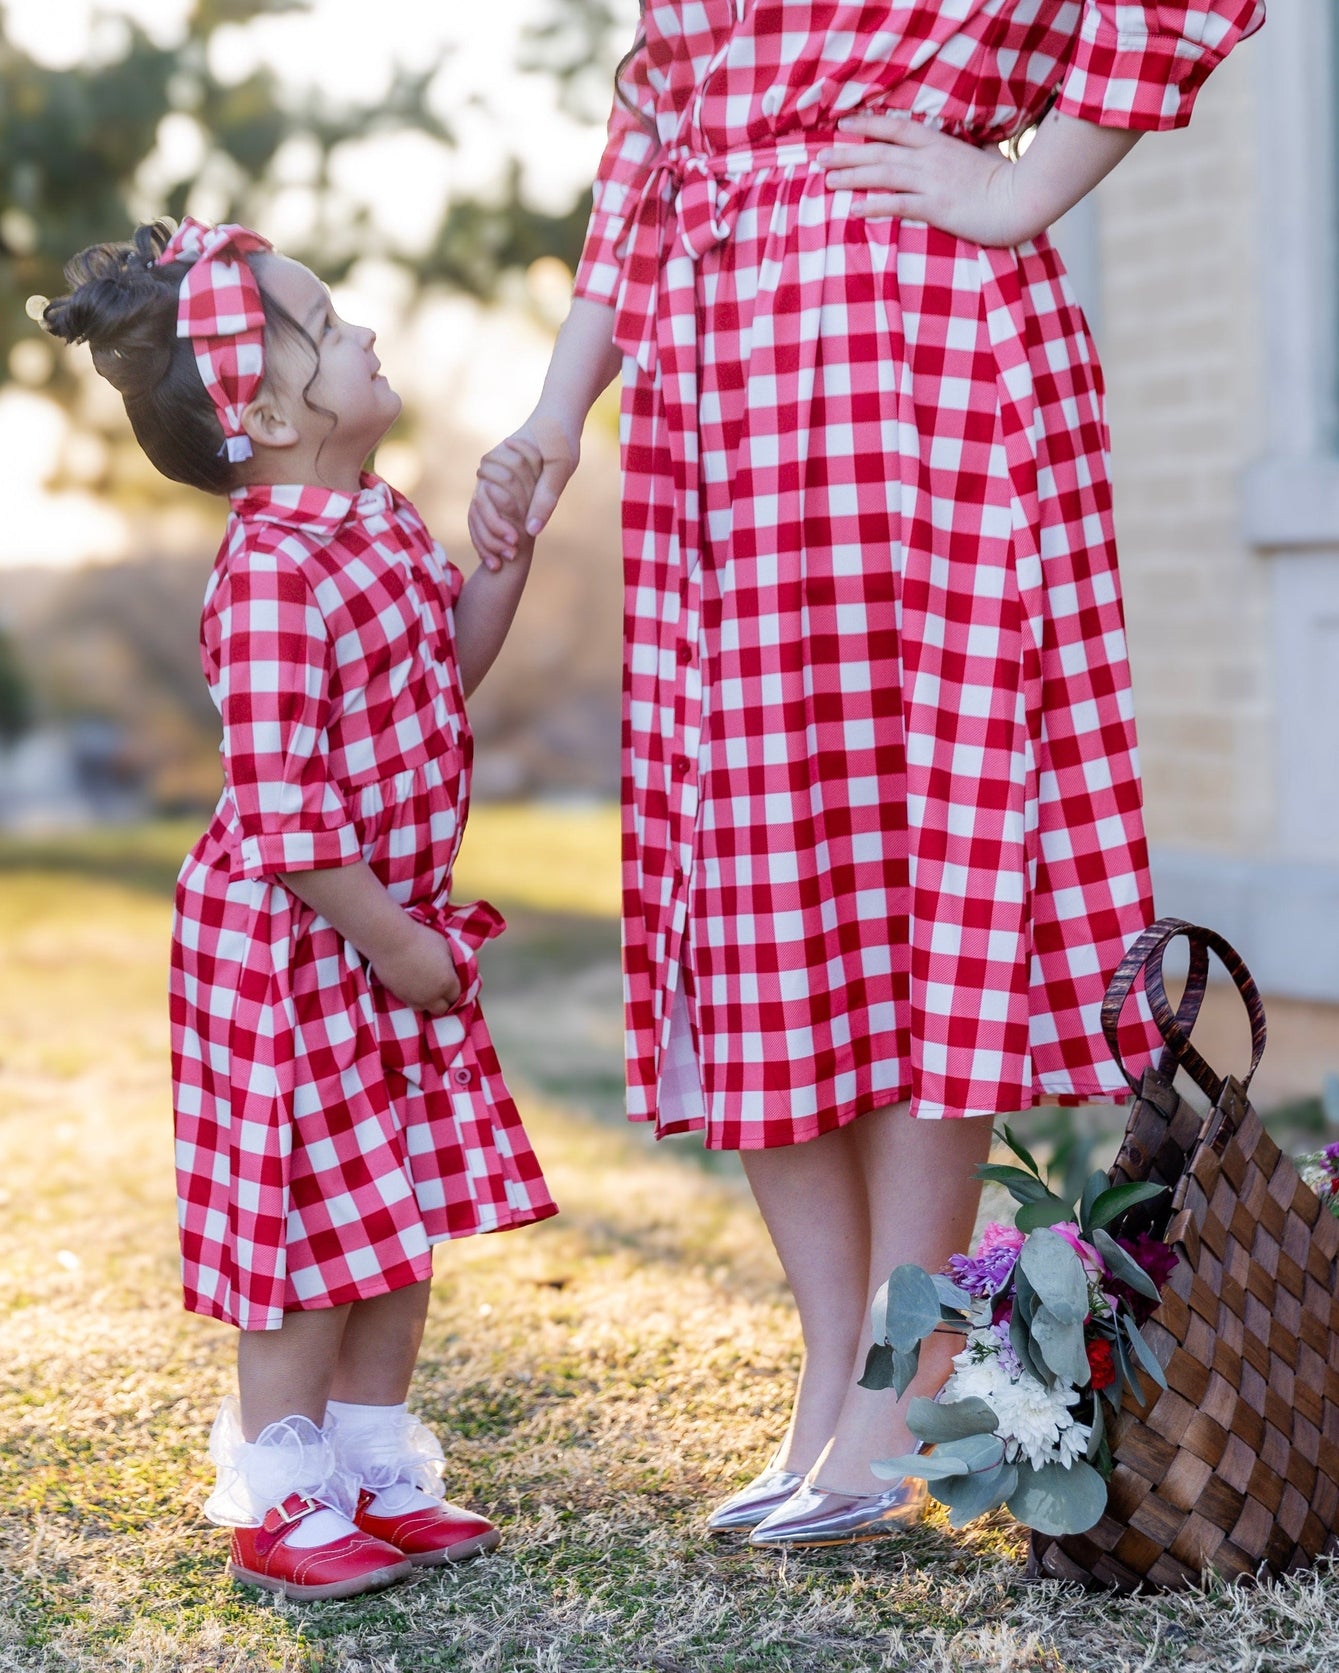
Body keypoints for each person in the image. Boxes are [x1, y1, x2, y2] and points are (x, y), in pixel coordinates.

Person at [470, 0, 1266, 1549]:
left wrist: (1027, 189)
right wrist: (560, 408)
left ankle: (915, 1359)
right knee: (757, 877)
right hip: (719, 400)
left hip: (921, 365)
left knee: (927, 853)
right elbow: (649, 137)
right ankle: (840, 1364)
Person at [43, 218, 558, 1599]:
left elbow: (444, 669)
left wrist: (499, 559)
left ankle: (374, 1461)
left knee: (392, 1212)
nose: (366, 333)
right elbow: (279, 810)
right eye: (328, 329)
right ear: (265, 412)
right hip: (294, 945)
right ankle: (283, 1484)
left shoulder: (378, 522)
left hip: (374, 931)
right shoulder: (271, 573)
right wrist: (394, 937)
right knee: (304, 1234)